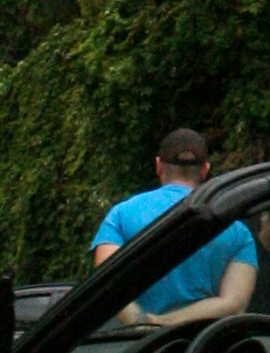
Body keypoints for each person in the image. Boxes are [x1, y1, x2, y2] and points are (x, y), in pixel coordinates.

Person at [92, 123, 259, 326]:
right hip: (203, 347)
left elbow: (106, 285)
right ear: (205, 170)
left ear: (158, 166)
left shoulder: (119, 215)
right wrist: (165, 322)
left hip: (135, 349)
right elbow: (234, 304)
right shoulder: (236, 230)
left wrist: (140, 324)